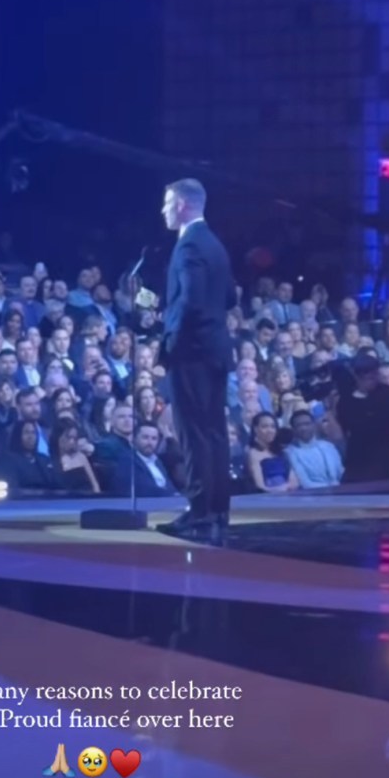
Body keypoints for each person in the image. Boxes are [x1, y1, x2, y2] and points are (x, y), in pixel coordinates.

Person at [156, 179, 237, 545]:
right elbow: (230, 298)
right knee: (215, 431)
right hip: (216, 349)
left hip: (192, 353)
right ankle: (218, 508)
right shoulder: (215, 243)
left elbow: (189, 300)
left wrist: (168, 340)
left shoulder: (189, 246)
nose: (163, 211)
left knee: (192, 433)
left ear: (184, 206)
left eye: (168, 204)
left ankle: (199, 511)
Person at [336, 350, 389, 482]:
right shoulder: (345, 400)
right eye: (365, 377)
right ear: (356, 375)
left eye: (373, 376)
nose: (370, 380)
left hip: (383, 461)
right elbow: (343, 433)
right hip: (355, 462)